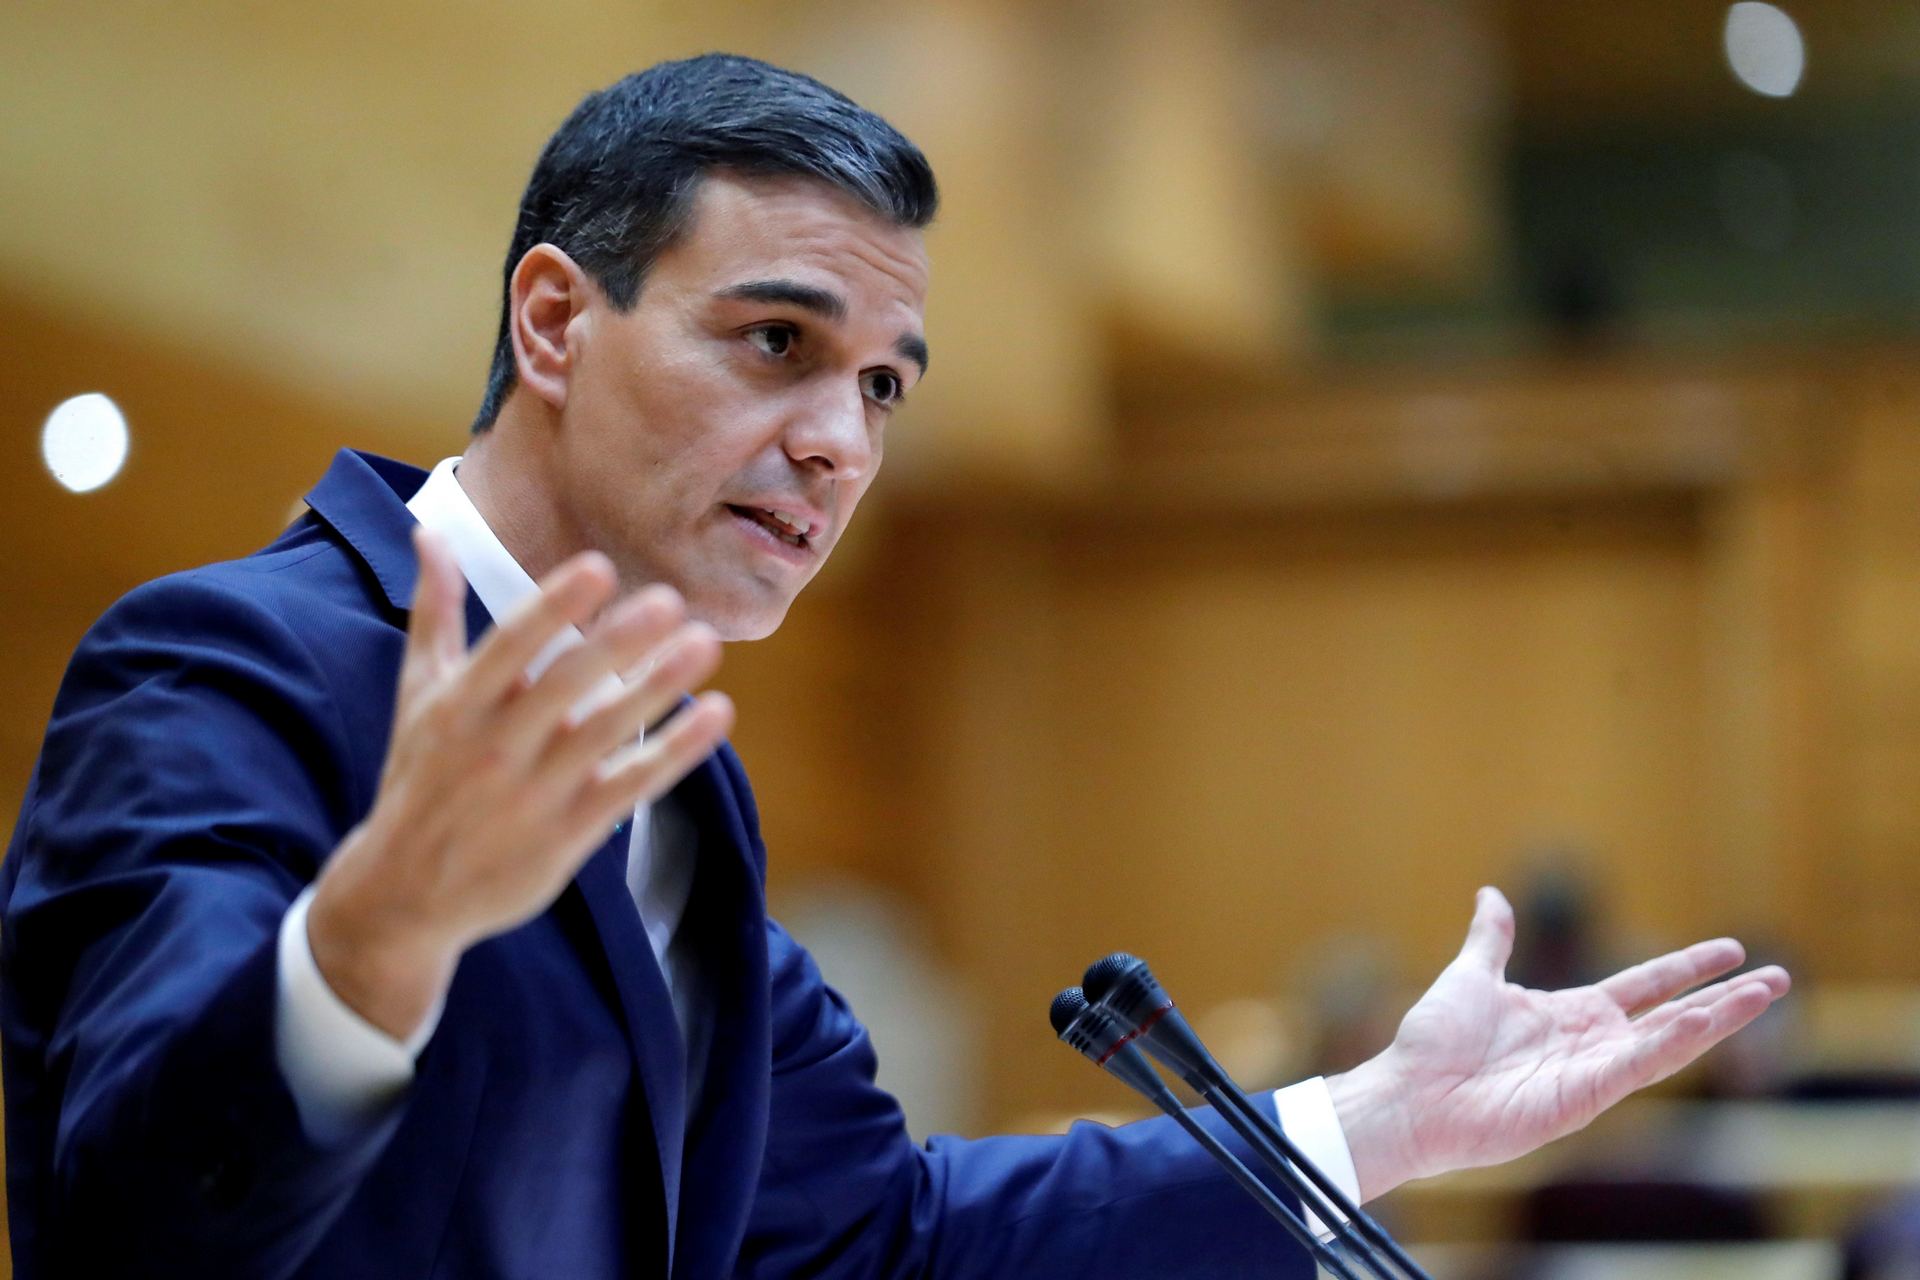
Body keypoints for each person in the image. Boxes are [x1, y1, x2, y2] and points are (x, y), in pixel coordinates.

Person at [0, 54, 1789, 1279]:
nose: (841, 442)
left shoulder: (677, 771)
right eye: (776, 340)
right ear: (555, 319)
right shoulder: (224, 664)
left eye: (878, 385)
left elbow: (881, 1241)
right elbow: (122, 1225)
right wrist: (370, 944)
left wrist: (1378, 1121)